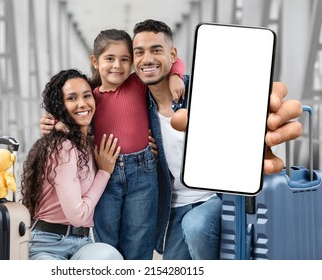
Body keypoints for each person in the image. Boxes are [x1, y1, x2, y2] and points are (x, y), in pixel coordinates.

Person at [131, 19, 302, 259]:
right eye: (139, 52)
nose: (146, 59)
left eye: (156, 50)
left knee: (196, 225)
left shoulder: (204, 90)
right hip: (174, 207)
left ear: (172, 55)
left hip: (214, 198)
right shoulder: (138, 105)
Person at [40, 29, 185, 260]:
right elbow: (67, 115)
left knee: (139, 237)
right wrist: (52, 123)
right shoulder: (90, 98)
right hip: (105, 173)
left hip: (143, 173)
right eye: (110, 59)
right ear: (95, 61)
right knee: (106, 241)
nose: (117, 65)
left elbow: (172, 60)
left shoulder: (137, 84)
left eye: (125, 59)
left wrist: (176, 75)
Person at [21, 69, 123, 260]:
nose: (82, 104)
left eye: (87, 96)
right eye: (71, 98)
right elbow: (77, 215)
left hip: (82, 243)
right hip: (46, 244)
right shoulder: (62, 146)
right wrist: (104, 173)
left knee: (111, 259)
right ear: (61, 107)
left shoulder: (90, 144)